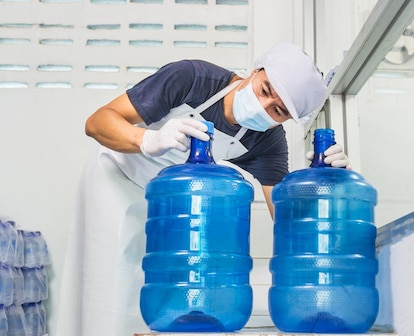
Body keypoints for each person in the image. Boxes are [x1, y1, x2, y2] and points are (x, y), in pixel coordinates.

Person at [55, 42, 350, 336]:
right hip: (116, 178)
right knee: (108, 282)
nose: (263, 106)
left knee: (154, 290)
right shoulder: (191, 79)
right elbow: (97, 122)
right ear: (255, 71)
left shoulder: (267, 141)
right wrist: (149, 140)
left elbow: (288, 224)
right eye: (264, 90)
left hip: (167, 206)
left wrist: (327, 185)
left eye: (278, 110)